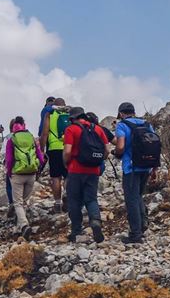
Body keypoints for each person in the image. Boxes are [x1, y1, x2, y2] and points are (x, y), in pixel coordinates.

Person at [63, 106, 109, 243]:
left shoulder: (71, 129)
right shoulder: (98, 129)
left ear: (72, 118)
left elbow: (67, 151)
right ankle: (95, 221)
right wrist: (99, 160)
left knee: (74, 200)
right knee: (91, 199)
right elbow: (107, 149)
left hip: (76, 169)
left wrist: (66, 163)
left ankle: (76, 230)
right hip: (93, 170)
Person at [114, 102, 159, 244]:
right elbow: (154, 144)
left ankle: (135, 234)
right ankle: (143, 223)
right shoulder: (146, 124)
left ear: (121, 114)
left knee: (131, 199)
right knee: (138, 195)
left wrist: (116, 152)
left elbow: (120, 146)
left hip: (131, 167)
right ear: (133, 111)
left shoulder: (122, 125)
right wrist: (155, 168)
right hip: (146, 166)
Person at [5, 116, 45, 237]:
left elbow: (9, 158)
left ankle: (24, 225)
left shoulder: (12, 139)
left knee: (17, 202)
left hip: (17, 174)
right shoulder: (31, 137)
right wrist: (38, 167)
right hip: (31, 173)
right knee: (24, 201)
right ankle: (19, 226)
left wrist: (9, 172)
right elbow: (39, 155)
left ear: (13, 127)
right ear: (24, 124)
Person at [40, 98, 70, 213]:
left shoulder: (50, 114)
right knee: (68, 175)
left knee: (56, 177)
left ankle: (57, 203)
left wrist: (42, 150)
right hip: (68, 147)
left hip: (54, 148)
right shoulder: (69, 113)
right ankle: (67, 193)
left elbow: (45, 133)